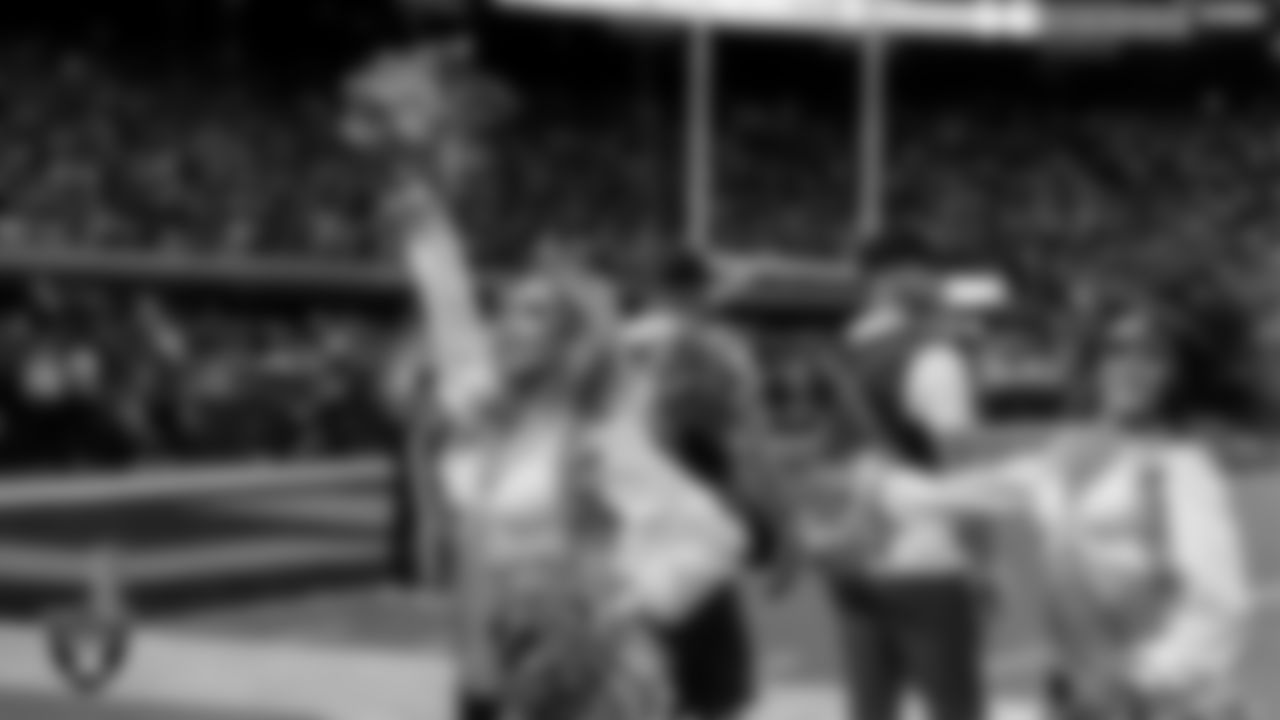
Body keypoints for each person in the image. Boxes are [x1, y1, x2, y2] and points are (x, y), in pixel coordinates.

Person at [347, 47, 747, 720]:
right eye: (506, 310)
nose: (506, 325)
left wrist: (623, 606)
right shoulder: (482, 408)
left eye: (532, 315)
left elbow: (717, 537)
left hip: (584, 675)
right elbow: (450, 308)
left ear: (569, 340)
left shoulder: (596, 433)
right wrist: (418, 202)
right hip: (489, 661)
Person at [881, 299, 1253, 720]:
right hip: (1081, 695)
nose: (1131, 367)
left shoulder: (1181, 468)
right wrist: (889, 488)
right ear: (1096, 362)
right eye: (1117, 349)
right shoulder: (1068, 452)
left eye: (1152, 356)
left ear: (1178, 377)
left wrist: (1148, 678)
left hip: (1165, 704)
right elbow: (997, 486)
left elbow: (1221, 603)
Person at [810, 236, 991, 720]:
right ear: (901, 275)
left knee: (871, 708)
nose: (938, 286)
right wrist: (983, 560)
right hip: (924, 555)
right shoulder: (932, 355)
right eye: (931, 272)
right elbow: (962, 466)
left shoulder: (843, 352)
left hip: (852, 550)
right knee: (955, 708)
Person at [619, 249, 782, 720]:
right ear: (698, 290)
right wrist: (779, 528)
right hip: (698, 524)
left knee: (640, 680)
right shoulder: (720, 349)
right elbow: (750, 445)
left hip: (631, 521)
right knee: (713, 694)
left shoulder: (612, 345)